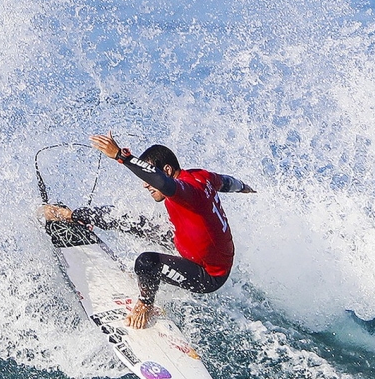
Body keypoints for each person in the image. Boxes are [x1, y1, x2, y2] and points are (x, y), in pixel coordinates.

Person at [44, 132, 255, 329]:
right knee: (128, 219)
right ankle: (73, 216)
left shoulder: (185, 190)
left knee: (146, 263)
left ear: (168, 171)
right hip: (187, 240)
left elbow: (161, 182)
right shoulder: (201, 176)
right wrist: (244, 187)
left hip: (208, 274)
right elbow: (227, 182)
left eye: (148, 179)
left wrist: (120, 156)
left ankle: (146, 304)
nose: (146, 185)